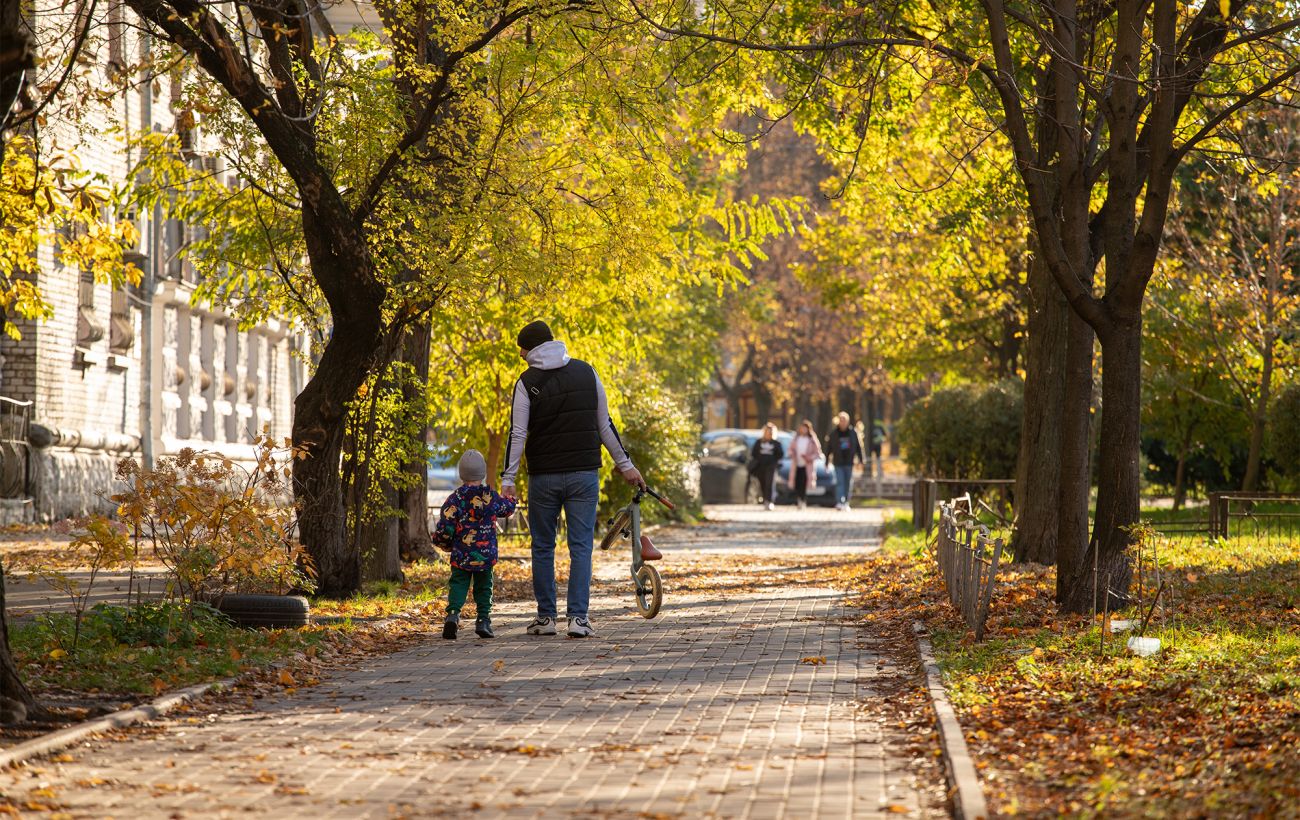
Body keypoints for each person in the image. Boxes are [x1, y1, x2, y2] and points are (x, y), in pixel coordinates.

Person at [501, 320, 644, 639]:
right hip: (584, 475)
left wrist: (508, 479)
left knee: (542, 547)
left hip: (544, 479)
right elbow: (604, 424)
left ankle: (546, 618)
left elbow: (518, 433)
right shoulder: (586, 372)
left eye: (522, 349)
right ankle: (578, 619)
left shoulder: (526, 382)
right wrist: (626, 465)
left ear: (531, 348)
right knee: (581, 547)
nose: (522, 355)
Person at [433, 450, 516, 640]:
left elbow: (445, 526)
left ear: (462, 474)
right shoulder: (491, 497)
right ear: (482, 473)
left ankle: (452, 616)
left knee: (458, 584)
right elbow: (508, 508)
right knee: (484, 586)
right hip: (485, 555)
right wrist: (512, 499)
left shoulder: (455, 499)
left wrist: (443, 543)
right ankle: (483, 620)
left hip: (462, 554)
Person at [825, 411, 864, 511]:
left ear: (848, 421)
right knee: (840, 482)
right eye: (841, 420)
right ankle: (839, 502)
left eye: (844, 420)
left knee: (848, 483)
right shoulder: (834, 433)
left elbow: (858, 447)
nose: (842, 422)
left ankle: (846, 502)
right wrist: (826, 461)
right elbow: (828, 448)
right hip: (838, 462)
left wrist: (861, 459)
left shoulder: (853, 433)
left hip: (849, 462)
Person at [787, 419, 822, 510]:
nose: (803, 430)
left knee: (804, 483)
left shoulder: (812, 440)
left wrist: (809, 457)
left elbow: (818, 453)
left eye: (805, 428)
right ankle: (799, 499)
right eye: (802, 428)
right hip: (797, 464)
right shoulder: (796, 439)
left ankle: (803, 500)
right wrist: (792, 454)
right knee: (797, 483)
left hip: (807, 465)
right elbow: (790, 450)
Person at [750, 423, 784, 511]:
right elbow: (753, 453)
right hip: (760, 466)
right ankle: (765, 499)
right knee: (763, 484)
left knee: (770, 484)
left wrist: (774, 461)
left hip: (771, 466)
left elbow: (780, 454)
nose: (769, 433)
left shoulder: (776, 443)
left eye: (771, 432)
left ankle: (769, 501)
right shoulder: (759, 442)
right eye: (767, 431)